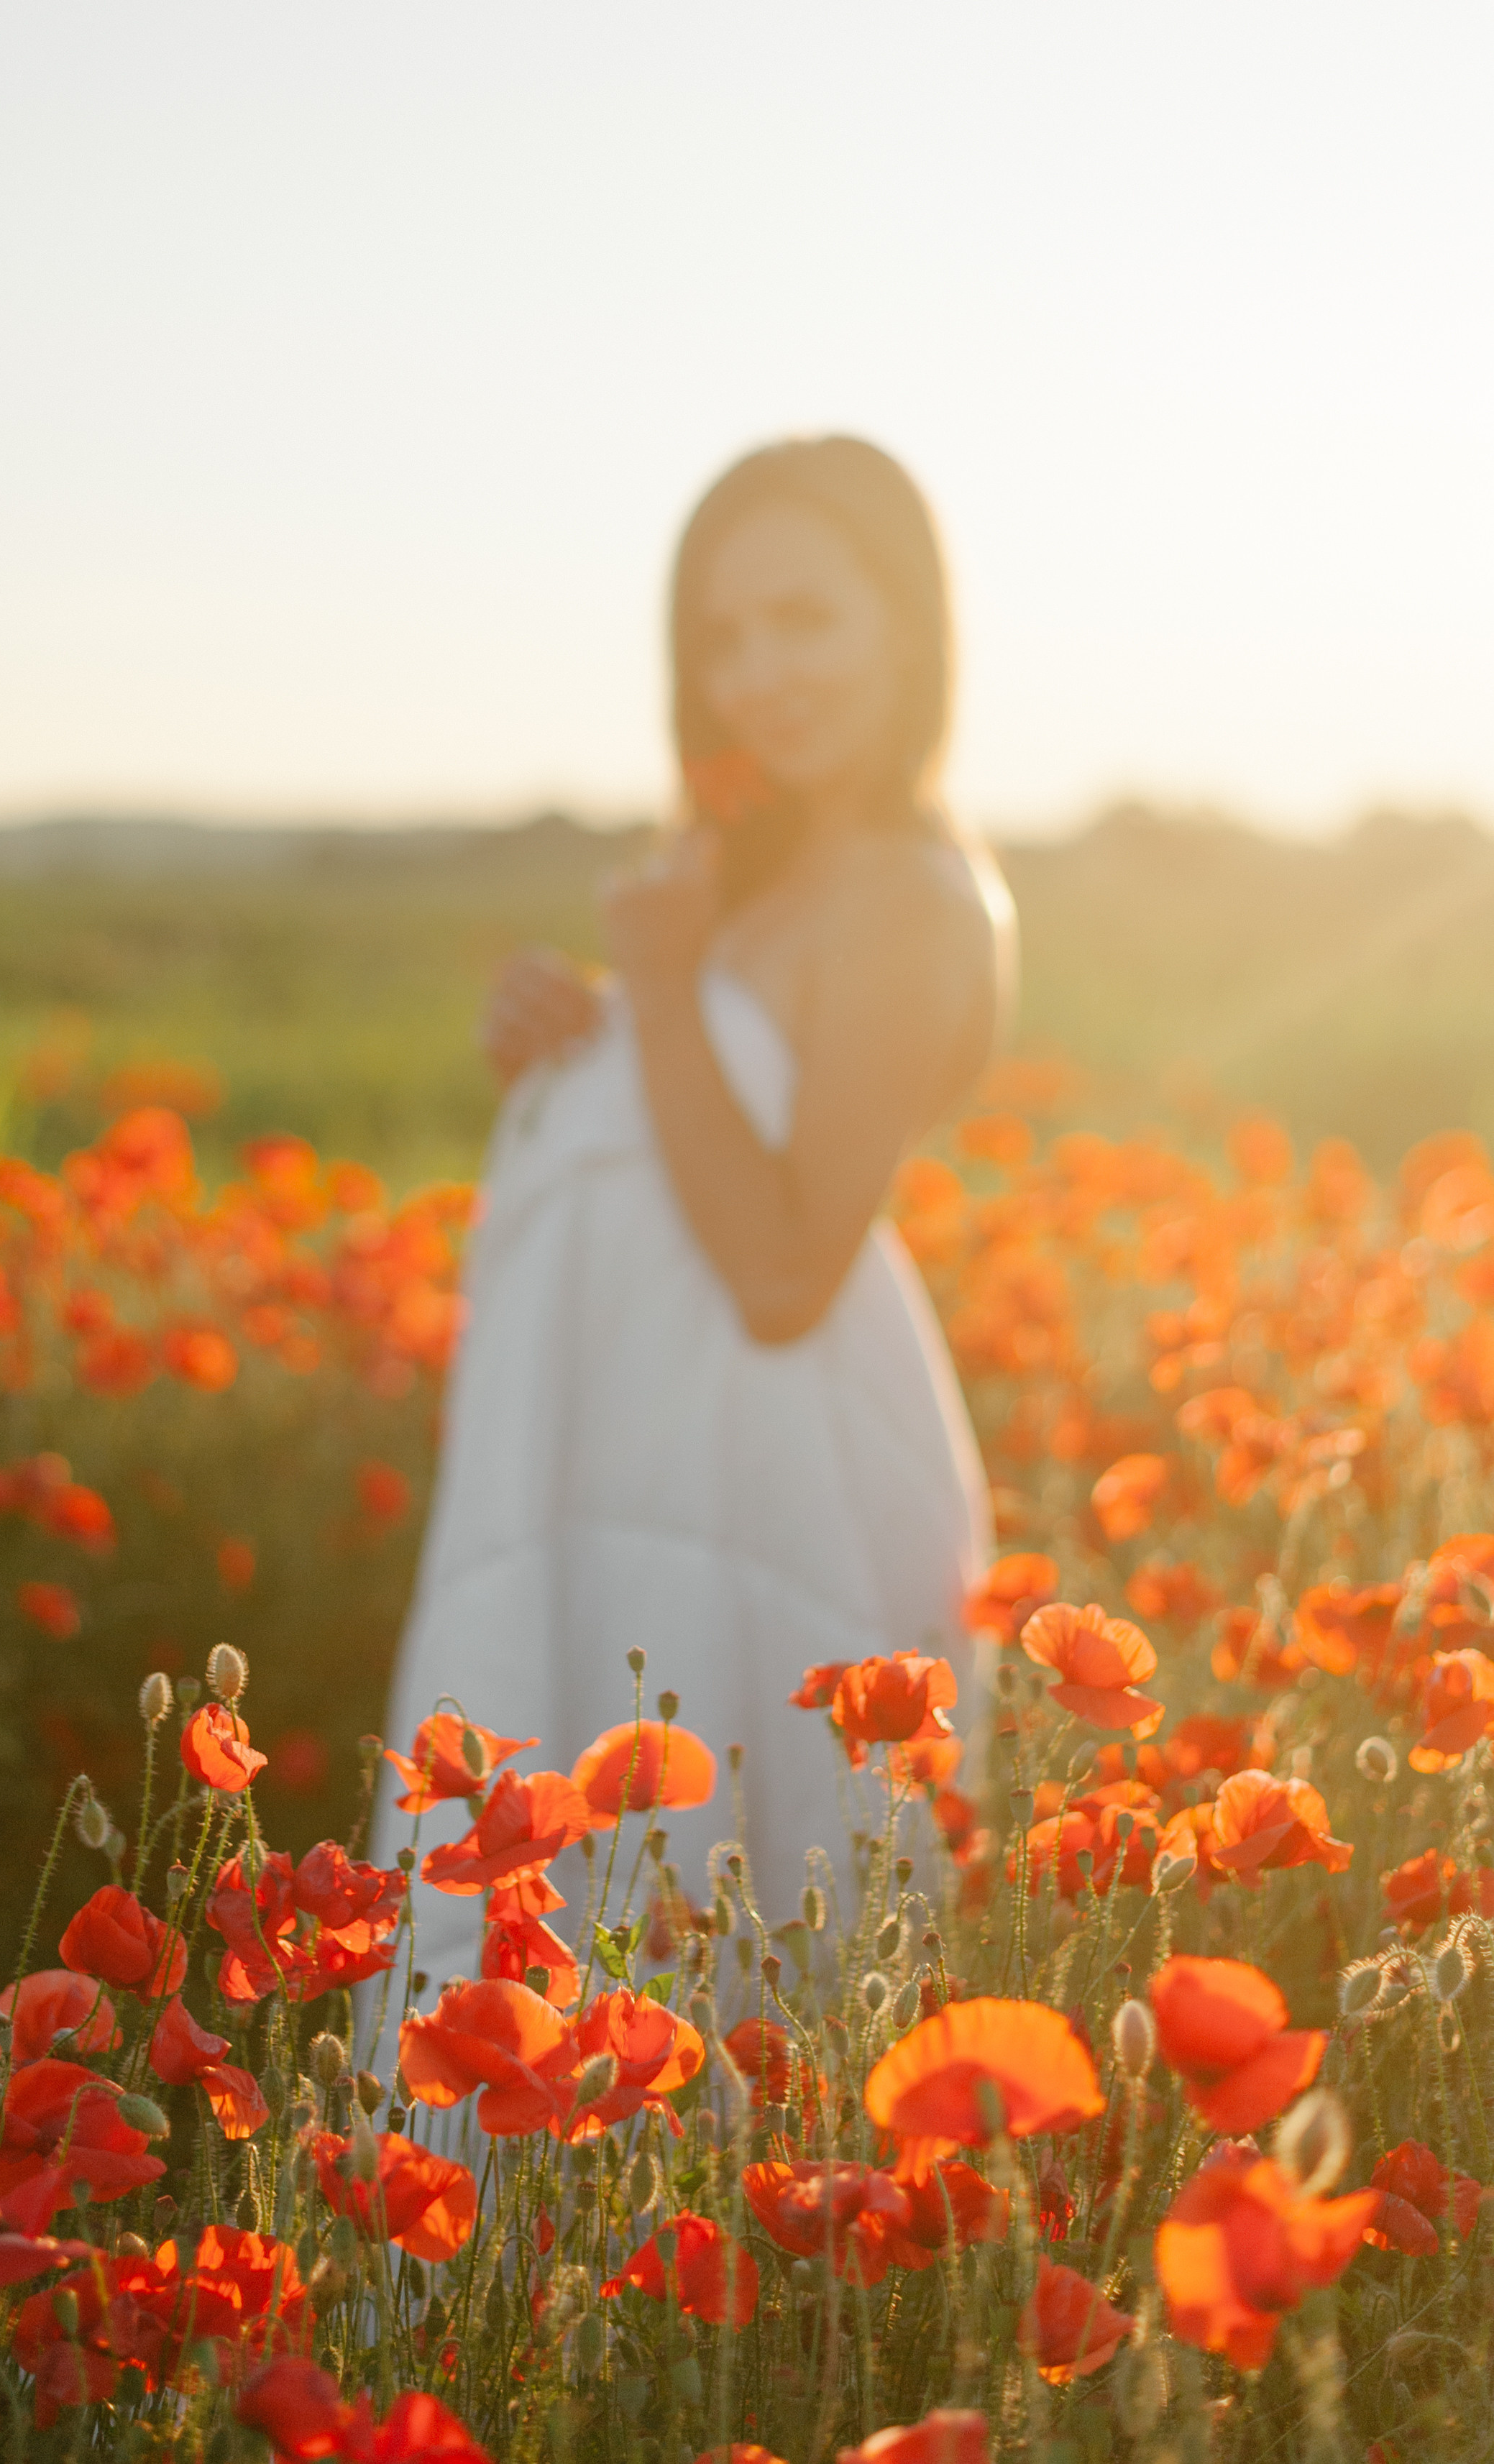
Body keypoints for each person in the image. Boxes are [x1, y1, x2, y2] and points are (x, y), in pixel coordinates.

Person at [367, 435, 1015, 2015]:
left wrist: (656, 987)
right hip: (636, 1465)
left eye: (806, 620)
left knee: (709, 1942)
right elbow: (694, 1121)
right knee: (570, 1927)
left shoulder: (915, 902)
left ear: (908, 628)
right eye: (721, 639)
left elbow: (787, 1268)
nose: (759, 675)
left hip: (771, 1488)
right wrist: (578, 1026)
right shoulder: (752, 882)